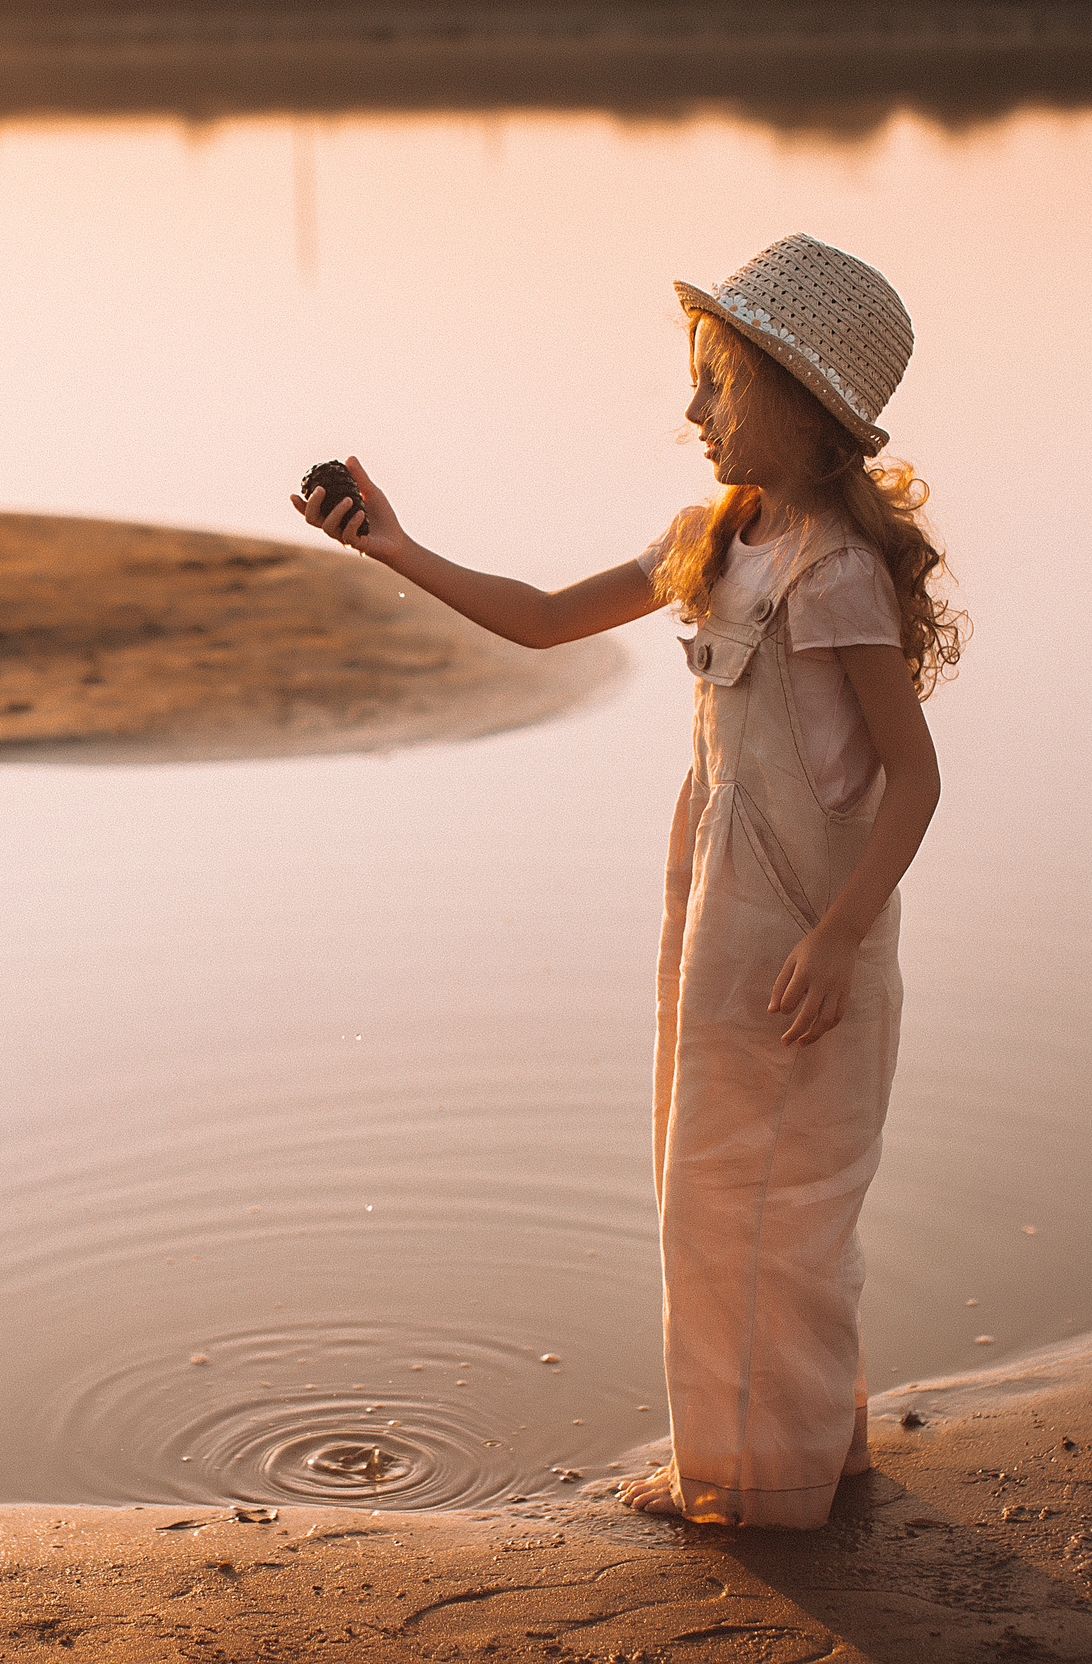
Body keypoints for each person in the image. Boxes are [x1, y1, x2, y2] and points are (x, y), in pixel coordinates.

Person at [287, 234, 962, 1529]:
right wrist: (392, 544)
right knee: (713, 1188)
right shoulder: (714, 537)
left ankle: (763, 1489)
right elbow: (542, 617)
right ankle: (793, 1456)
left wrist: (837, 937)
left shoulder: (836, 573)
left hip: (807, 935)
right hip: (718, 911)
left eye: (716, 383)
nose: (693, 411)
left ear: (801, 403)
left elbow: (916, 780)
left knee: (780, 1205)